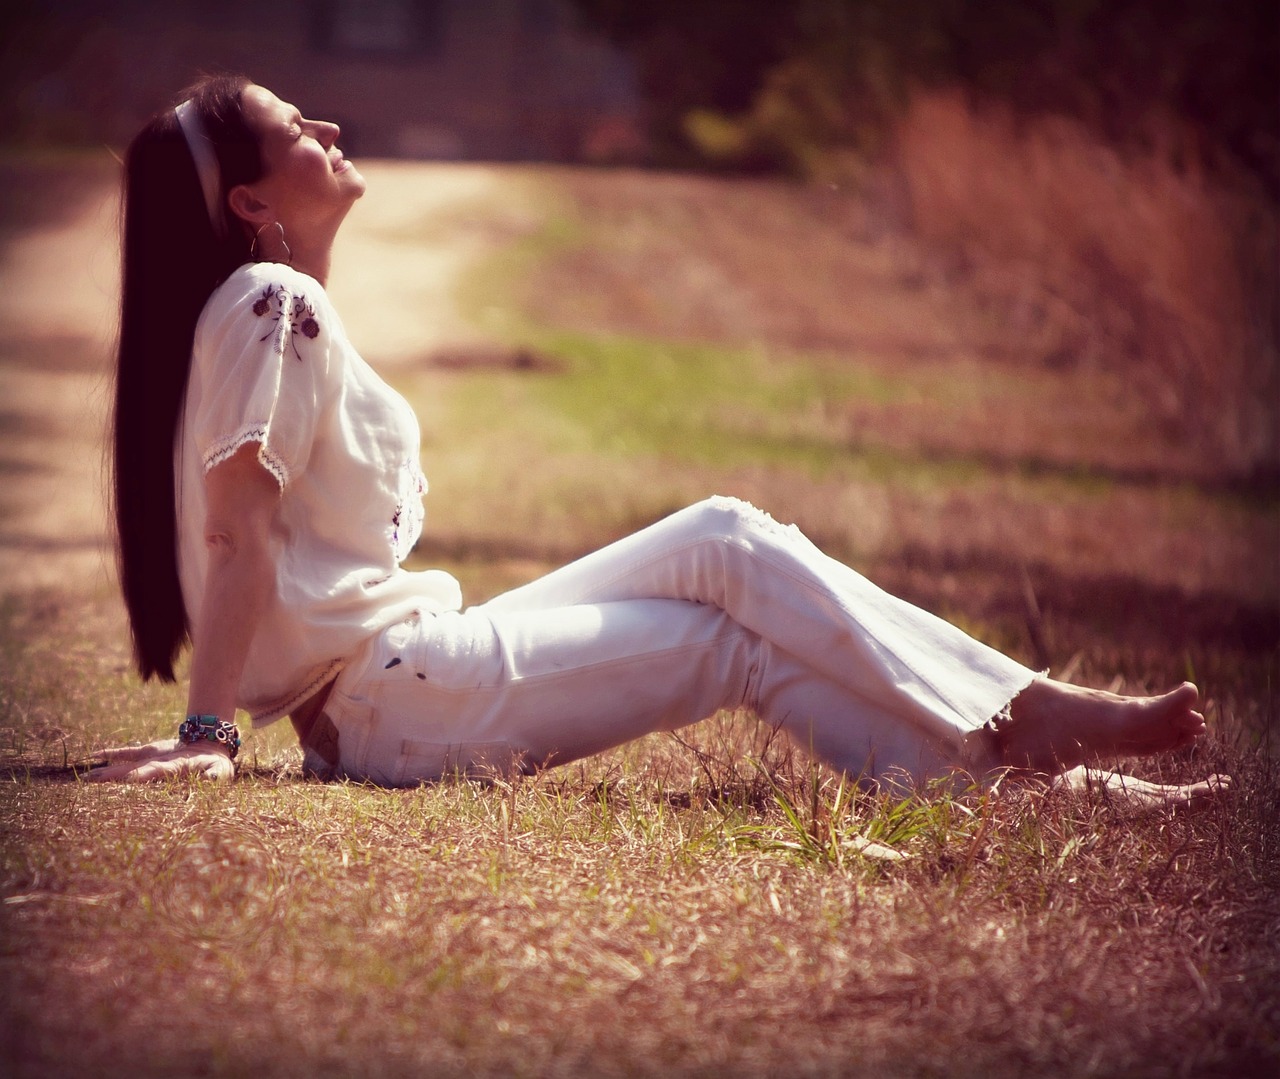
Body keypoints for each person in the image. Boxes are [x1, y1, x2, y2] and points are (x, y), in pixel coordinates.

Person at [90, 75, 1224, 808]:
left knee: (725, 540)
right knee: (733, 641)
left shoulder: (267, 308)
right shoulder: (268, 301)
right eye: (298, 130)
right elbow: (235, 528)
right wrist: (207, 731)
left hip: (405, 673)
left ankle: (1034, 744)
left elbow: (254, 532)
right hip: (395, 700)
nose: (329, 129)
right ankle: (1034, 741)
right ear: (248, 202)